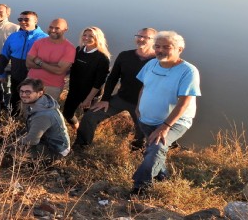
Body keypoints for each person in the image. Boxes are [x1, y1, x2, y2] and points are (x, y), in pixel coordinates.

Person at [129, 30, 201, 197]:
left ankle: (140, 188)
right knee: (155, 150)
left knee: (156, 148)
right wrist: (138, 107)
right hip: (146, 119)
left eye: (166, 47)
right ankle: (163, 176)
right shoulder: (151, 64)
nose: (160, 50)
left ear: (179, 49)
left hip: (174, 121)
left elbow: (184, 102)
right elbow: (144, 86)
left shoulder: (188, 71)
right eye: (157, 46)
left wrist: (165, 126)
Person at [75, 28, 157, 150]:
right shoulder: (125, 55)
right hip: (121, 98)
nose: (140, 39)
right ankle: (81, 146)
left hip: (143, 104)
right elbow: (112, 78)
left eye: (146, 37)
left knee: (143, 132)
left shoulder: (158, 61)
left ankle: (137, 151)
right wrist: (105, 99)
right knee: (90, 116)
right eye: (138, 36)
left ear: (154, 41)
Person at [0, 11, 47, 117]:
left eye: (26, 19)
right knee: (15, 96)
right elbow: (4, 55)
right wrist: (0, 73)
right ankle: (14, 119)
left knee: (34, 99)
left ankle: (32, 120)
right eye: (20, 20)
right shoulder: (13, 36)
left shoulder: (44, 38)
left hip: (35, 78)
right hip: (16, 75)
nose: (22, 22)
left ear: (35, 21)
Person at [62, 27, 111, 130]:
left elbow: (99, 82)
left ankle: (84, 137)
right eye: (85, 35)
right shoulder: (78, 50)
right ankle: (76, 128)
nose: (86, 38)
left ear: (98, 38)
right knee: (67, 113)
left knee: (88, 118)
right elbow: (72, 68)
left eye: (91, 36)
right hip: (74, 90)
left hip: (91, 94)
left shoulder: (102, 58)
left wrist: (88, 99)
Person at [18, 78, 71, 160]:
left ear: (40, 93)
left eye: (28, 92)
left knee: (12, 150)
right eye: (21, 91)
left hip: (56, 150)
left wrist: (17, 141)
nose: (23, 95)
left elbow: (32, 141)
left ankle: (48, 161)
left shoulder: (43, 115)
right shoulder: (43, 102)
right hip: (51, 141)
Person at [26, 18, 76, 101]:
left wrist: (39, 61)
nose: (53, 30)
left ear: (65, 30)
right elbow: (28, 63)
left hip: (52, 86)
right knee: (27, 109)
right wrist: (52, 66)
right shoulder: (39, 42)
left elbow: (59, 71)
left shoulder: (69, 48)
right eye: (51, 27)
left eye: (57, 28)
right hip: (31, 81)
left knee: (46, 111)